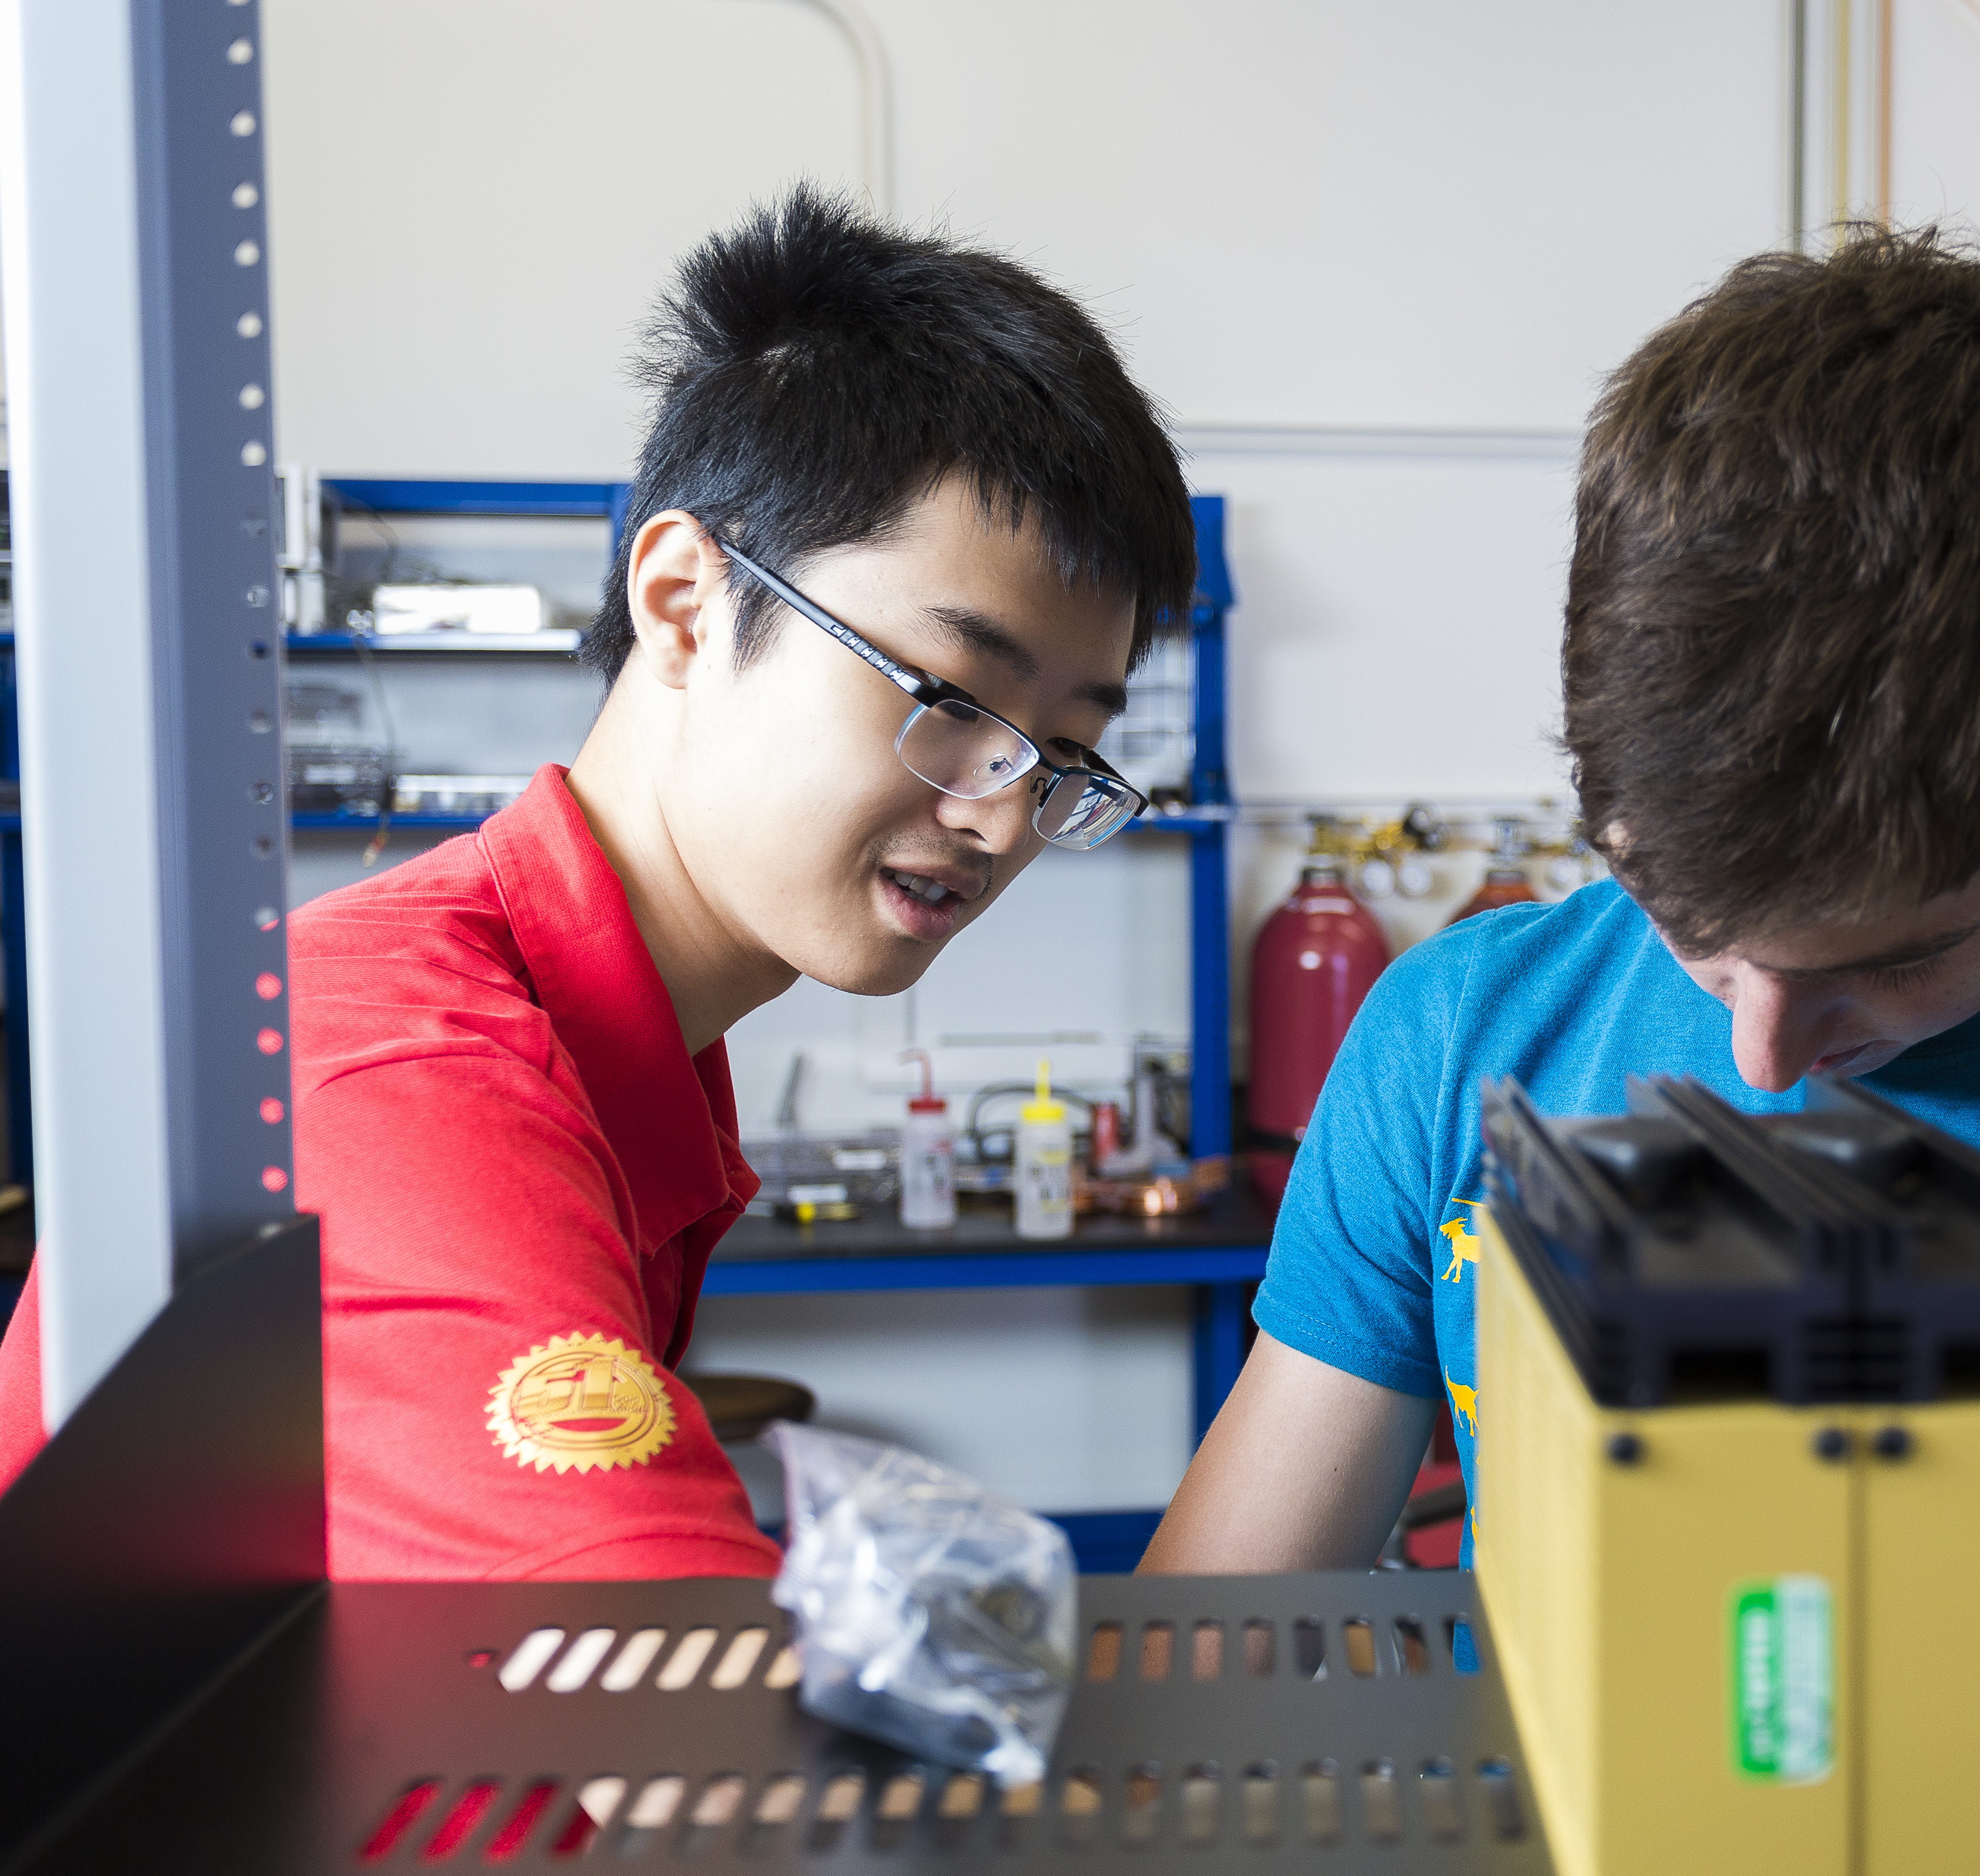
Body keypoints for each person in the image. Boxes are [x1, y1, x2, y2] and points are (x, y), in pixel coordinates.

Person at [0, 187, 1194, 1579]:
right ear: (686, 601)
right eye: (949, 696)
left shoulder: (642, 1042)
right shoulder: (404, 1069)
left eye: (1061, 755)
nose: (1000, 821)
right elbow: (681, 1705)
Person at [1143, 226, 1980, 1574]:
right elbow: (1212, 1637)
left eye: (1889, 957)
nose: (1758, 1057)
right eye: (1693, 929)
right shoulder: (1461, 1039)